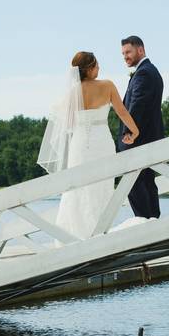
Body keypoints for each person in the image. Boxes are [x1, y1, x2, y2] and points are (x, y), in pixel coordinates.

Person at [37, 51, 140, 239]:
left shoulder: (72, 93)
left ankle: (74, 236)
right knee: (102, 186)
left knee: (78, 189)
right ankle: (100, 232)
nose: (99, 67)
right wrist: (135, 131)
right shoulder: (107, 85)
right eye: (96, 65)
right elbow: (123, 112)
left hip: (80, 144)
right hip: (102, 142)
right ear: (89, 68)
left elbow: (67, 124)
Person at [117, 35, 165, 218]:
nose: (125, 56)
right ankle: (153, 220)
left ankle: (145, 223)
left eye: (128, 52)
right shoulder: (149, 70)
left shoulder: (144, 73)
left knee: (134, 183)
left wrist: (129, 132)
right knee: (146, 182)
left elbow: (137, 104)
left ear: (141, 50)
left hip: (139, 140)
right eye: (123, 53)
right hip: (148, 138)